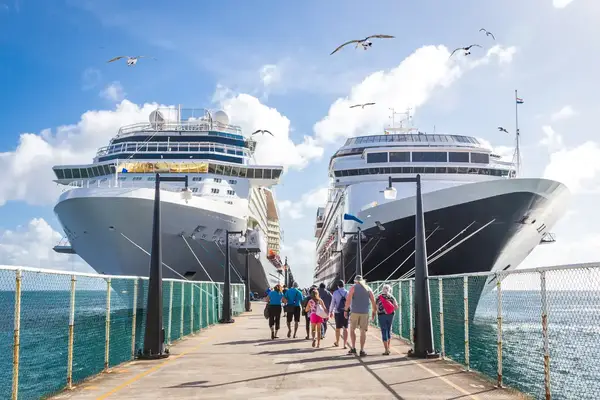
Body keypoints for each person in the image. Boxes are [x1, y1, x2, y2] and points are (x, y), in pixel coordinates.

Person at [343, 275, 376, 357]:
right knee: (363, 331)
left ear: (355, 281)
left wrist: (345, 310)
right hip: (365, 312)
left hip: (354, 312)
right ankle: (362, 350)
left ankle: (353, 348)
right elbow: (373, 300)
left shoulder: (353, 288)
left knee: (352, 330)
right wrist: (374, 312)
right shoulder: (368, 288)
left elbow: (348, 299)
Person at [376, 284, 399, 355]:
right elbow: (396, 307)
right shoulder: (391, 297)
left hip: (381, 315)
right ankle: (388, 348)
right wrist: (389, 310)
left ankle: (386, 350)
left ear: (382, 289)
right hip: (390, 315)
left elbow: (376, 307)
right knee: (389, 330)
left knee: (384, 330)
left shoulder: (378, 297)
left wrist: (380, 311)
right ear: (389, 290)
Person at [329, 280, 349, 349]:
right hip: (346, 312)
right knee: (345, 328)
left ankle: (337, 342)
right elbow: (350, 303)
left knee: (337, 328)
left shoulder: (335, 293)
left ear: (338, 286)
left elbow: (332, 303)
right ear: (344, 285)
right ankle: (345, 344)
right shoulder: (347, 292)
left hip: (337, 312)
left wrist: (331, 311)